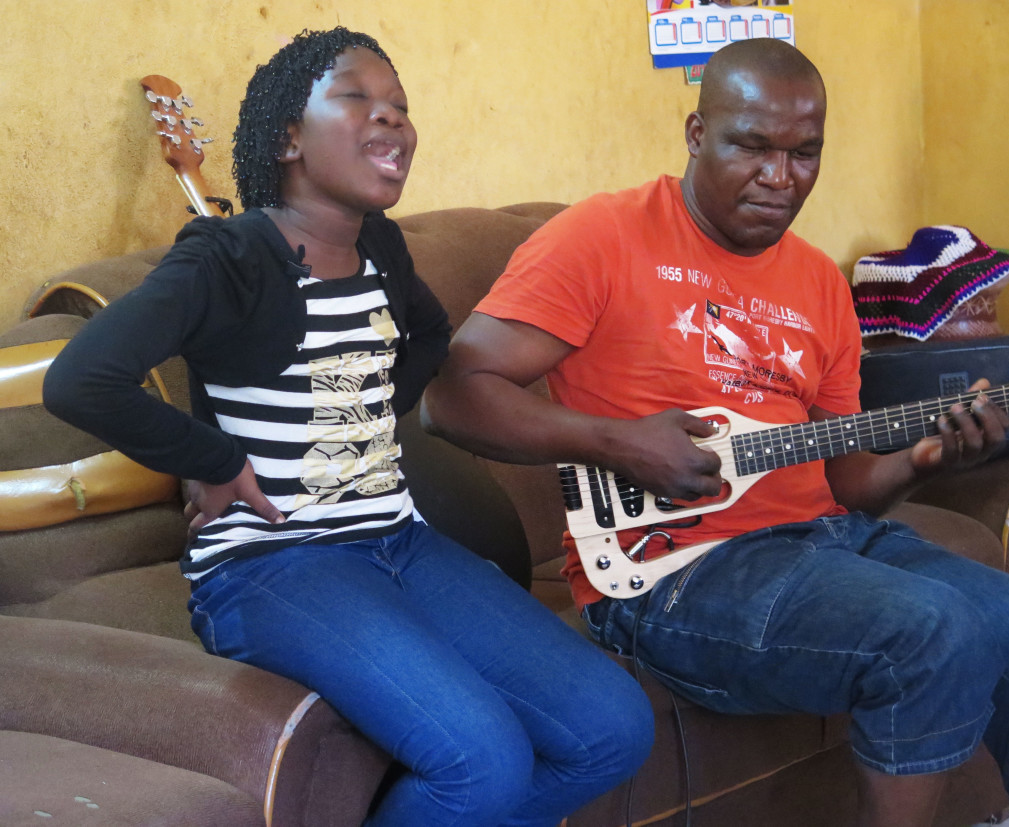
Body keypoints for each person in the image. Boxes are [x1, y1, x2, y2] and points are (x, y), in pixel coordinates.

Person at [43, 27, 654, 827]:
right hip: (271, 565)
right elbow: (81, 378)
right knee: (481, 760)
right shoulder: (225, 257)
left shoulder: (381, 250)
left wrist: (364, 411)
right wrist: (213, 457)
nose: (391, 118)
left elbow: (433, 337)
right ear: (289, 136)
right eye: (357, 98)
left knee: (615, 726)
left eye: (400, 105)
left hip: (399, 544)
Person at [421, 37, 1009, 827]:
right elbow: (452, 398)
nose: (781, 178)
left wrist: (927, 456)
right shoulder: (601, 237)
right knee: (929, 632)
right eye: (753, 146)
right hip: (670, 568)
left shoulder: (816, 281)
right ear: (697, 133)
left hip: (822, 540)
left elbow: (850, 486)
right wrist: (619, 441)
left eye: (805, 154)